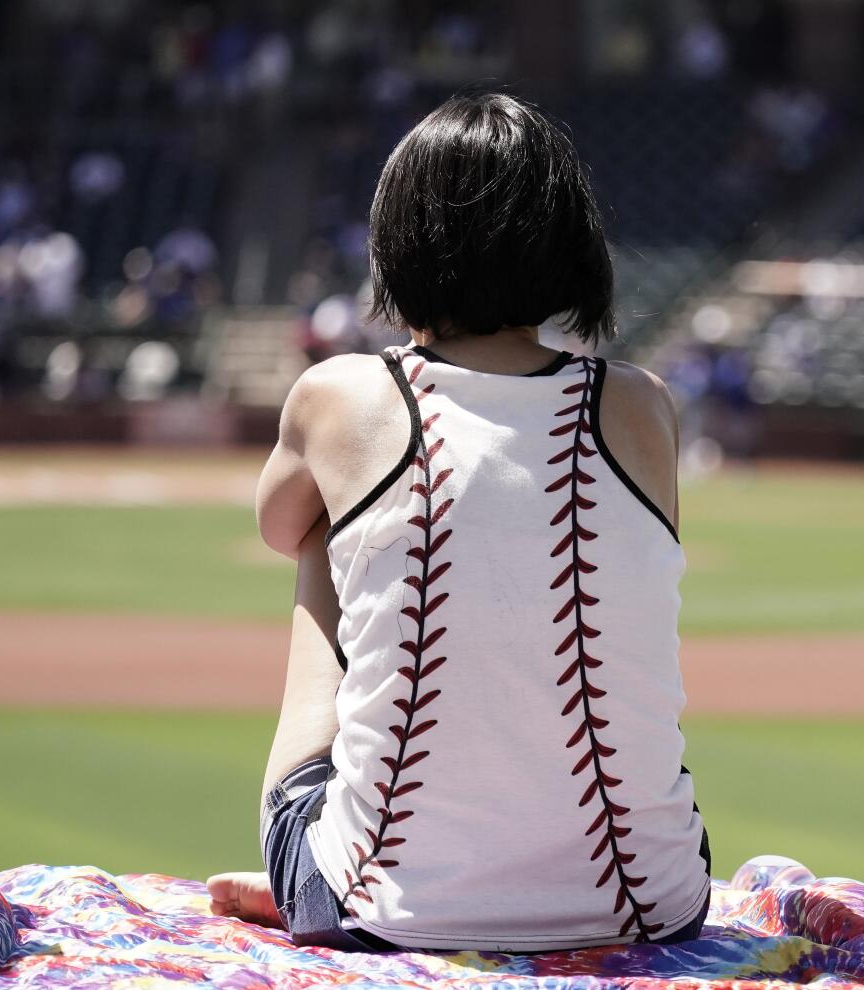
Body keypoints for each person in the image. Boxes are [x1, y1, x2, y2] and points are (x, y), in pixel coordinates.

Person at [205, 90, 711, 953]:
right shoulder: (643, 404)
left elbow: (275, 524)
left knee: (323, 531)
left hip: (382, 906)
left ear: (398, 244)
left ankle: (327, 851)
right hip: (654, 898)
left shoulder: (339, 394)